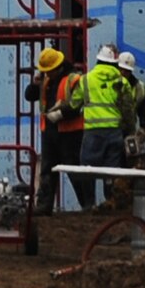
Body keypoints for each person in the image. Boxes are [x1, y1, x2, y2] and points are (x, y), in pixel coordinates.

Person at [26, 47, 87, 213]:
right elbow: (29, 96)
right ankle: (44, 206)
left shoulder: (74, 79)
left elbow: (77, 104)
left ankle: (87, 206)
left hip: (70, 133)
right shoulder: (46, 80)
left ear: (57, 67)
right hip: (50, 132)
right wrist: (34, 84)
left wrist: (61, 114)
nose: (47, 74)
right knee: (47, 171)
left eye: (48, 71)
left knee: (74, 170)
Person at [71, 43, 136, 200]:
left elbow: (74, 104)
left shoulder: (85, 80)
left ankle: (88, 205)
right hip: (114, 133)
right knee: (111, 172)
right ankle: (110, 204)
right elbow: (128, 111)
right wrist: (130, 130)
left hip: (92, 132)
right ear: (115, 63)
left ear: (98, 60)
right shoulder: (122, 82)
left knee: (87, 170)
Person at [116, 49, 145, 164]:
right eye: (121, 69)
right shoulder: (109, 84)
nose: (123, 73)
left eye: (126, 71)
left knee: (129, 166)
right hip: (111, 132)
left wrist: (142, 130)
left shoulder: (139, 88)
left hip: (128, 133)